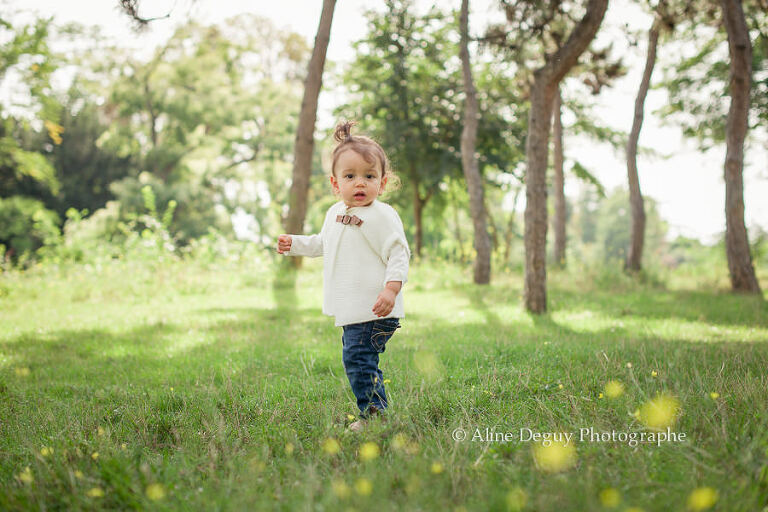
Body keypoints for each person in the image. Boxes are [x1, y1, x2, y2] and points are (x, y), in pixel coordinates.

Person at [277, 120, 410, 432]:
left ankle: (376, 418)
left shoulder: (382, 215)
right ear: (336, 184)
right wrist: (295, 243)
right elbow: (324, 243)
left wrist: (391, 290)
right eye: (350, 176)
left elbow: (399, 253)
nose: (360, 183)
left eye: (369, 176)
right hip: (355, 309)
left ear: (383, 181)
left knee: (359, 360)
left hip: (375, 307)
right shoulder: (334, 213)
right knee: (360, 360)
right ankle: (376, 412)